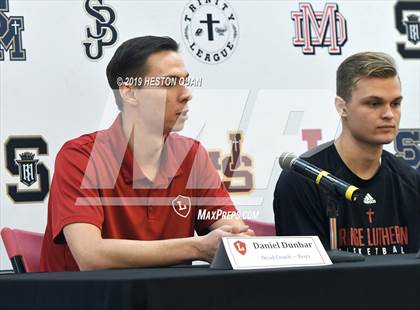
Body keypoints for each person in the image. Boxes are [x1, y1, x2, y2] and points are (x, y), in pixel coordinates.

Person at [40, 36, 253, 272]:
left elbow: (237, 238)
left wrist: (234, 240)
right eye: (170, 83)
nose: (186, 94)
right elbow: (90, 255)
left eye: (185, 81)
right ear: (129, 93)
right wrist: (198, 247)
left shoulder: (192, 156)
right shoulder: (80, 156)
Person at [274, 52, 420, 256]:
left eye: (395, 103)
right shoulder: (302, 179)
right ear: (342, 107)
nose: (389, 114)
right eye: (374, 103)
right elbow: (304, 279)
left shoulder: (411, 181)